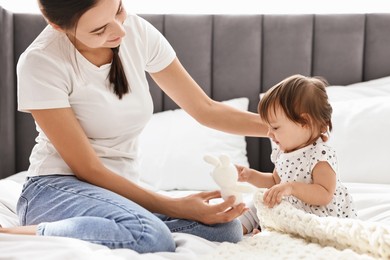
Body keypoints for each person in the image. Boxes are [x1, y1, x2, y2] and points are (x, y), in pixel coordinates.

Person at [0, 0, 269, 253]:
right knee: (150, 236)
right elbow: (87, 168)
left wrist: (284, 131)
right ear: (59, 27)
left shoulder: (137, 31)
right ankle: (19, 232)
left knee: (227, 228)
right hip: (56, 189)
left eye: (118, 9)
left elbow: (205, 109)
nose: (120, 30)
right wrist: (175, 206)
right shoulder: (41, 61)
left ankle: (124, 227)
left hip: (118, 194)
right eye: (99, 29)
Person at [237, 74, 357, 235]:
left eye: (275, 128)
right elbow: (275, 182)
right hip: (292, 210)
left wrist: (292, 188)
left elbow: (325, 194)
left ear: (304, 123)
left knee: (294, 226)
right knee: (258, 201)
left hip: (318, 217)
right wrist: (251, 176)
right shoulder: (283, 153)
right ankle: (235, 229)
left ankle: (270, 235)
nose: (269, 134)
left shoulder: (320, 155)